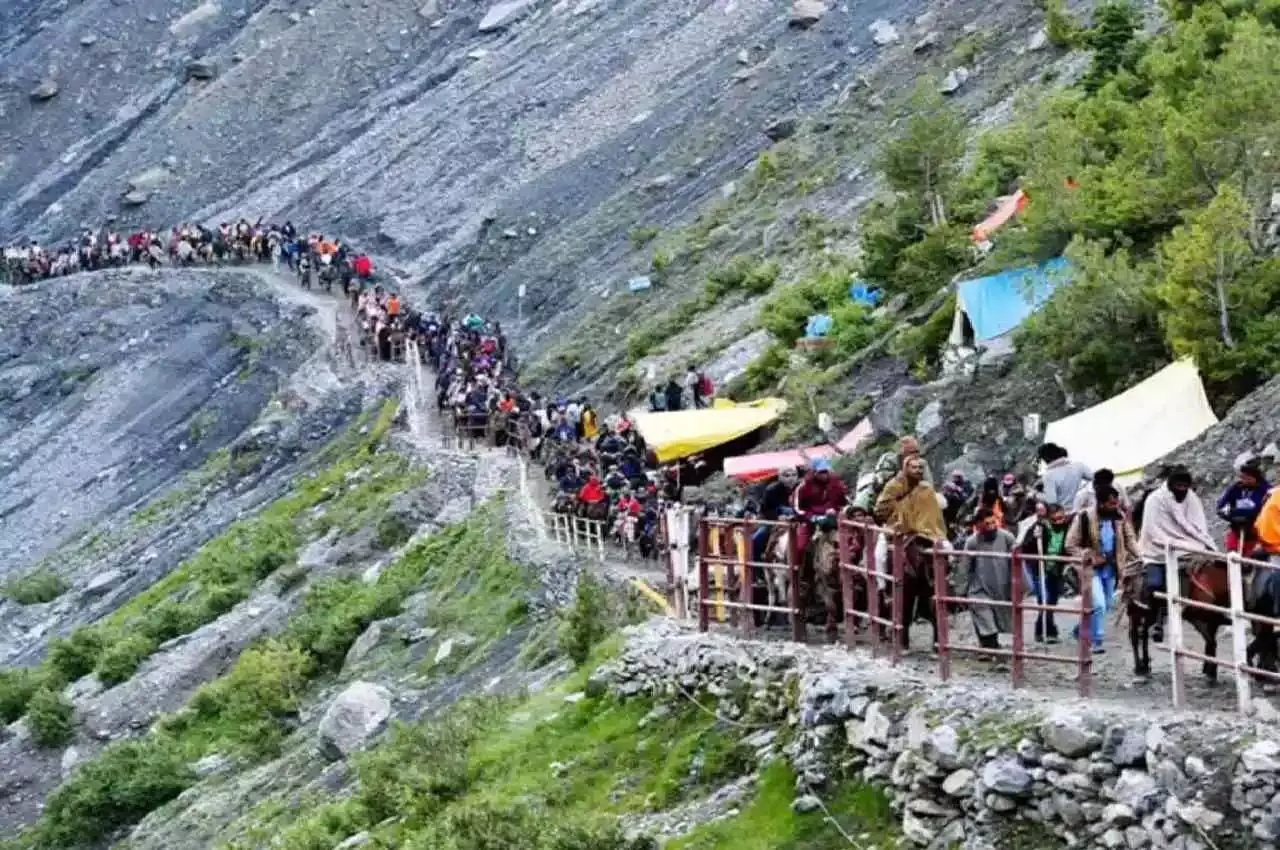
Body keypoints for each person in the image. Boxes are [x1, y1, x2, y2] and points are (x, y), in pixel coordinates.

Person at [1136, 467, 1216, 643]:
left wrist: (1194, 543)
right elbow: (1152, 529)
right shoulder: (1155, 500)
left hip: (1186, 547)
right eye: (1178, 485)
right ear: (1170, 485)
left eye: (1184, 486)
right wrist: (1170, 544)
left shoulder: (1191, 499)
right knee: (1154, 583)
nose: (1181, 489)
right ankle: (1154, 619)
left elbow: (1197, 525)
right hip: (1156, 550)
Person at [1067, 488, 1140, 652]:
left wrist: (1140, 556)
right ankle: (1096, 641)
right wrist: (1086, 555)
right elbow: (1070, 544)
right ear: (1100, 503)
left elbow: (1129, 539)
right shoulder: (1084, 517)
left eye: (1116, 503)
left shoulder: (1119, 518)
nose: (1115, 506)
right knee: (1099, 604)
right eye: (1111, 503)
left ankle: (1081, 628)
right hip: (1090, 569)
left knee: (1106, 605)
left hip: (1112, 568)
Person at [958, 508, 1017, 656]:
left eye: (993, 522)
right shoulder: (972, 542)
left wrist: (1017, 586)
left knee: (997, 619)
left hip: (1001, 585)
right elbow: (964, 567)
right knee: (983, 615)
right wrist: (961, 590)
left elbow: (1017, 561)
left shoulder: (1007, 538)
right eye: (987, 523)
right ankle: (989, 649)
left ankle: (990, 646)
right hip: (979, 587)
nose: (991, 526)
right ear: (978, 525)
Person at [1022, 502, 1071, 644]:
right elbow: (1026, 547)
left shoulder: (1068, 528)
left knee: (1052, 601)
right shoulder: (1039, 528)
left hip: (1056, 569)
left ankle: (1040, 629)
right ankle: (1050, 631)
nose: (1059, 522)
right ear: (1049, 518)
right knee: (1045, 600)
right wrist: (1034, 538)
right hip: (1040, 569)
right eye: (1055, 519)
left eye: (1061, 518)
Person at [873, 456, 947, 541]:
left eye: (920, 468)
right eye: (914, 467)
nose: (918, 470)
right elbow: (881, 509)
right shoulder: (894, 485)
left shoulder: (923, 486)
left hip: (919, 522)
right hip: (897, 521)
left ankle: (929, 532)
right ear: (906, 468)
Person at [792, 458, 849, 558]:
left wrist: (836, 510)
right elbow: (797, 508)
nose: (824, 474)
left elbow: (844, 502)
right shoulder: (804, 486)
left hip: (833, 519)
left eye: (825, 471)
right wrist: (813, 517)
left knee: (850, 541)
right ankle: (796, 571)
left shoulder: (836, 483)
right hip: (809, 520)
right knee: (800, 547)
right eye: (821, 472)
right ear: (814, 472)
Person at [1217, 461, 1270, 555]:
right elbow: (1221, 505)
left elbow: (1265, 510)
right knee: (1233, 557)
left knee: (1254, 558)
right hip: (1237, 529)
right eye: (1243, 477)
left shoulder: (1266, 490)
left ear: (1256, 478)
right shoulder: (1236, 488)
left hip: (1257, 532)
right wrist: (1229, 514)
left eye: (1248, 478)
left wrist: (1250, 515)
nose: (1244, 480)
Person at [753, 467, 799, 563]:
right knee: (757, 539)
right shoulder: (771, 490)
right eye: (787, 475)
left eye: (794, 475)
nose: (791, 478)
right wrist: (777, 517)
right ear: (780, 477)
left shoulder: (800, 487)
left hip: (796, 519)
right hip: (772, 519)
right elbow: (765, 509)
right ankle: (757, 567)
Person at [1039, 443, 1093, 509]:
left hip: (1064, 514)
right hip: (1083, 507)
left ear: (1046, 458)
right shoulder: (1078, 466)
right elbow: (1096, 477)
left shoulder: (1048, 476)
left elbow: (1051, 501)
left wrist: (1036, 495)